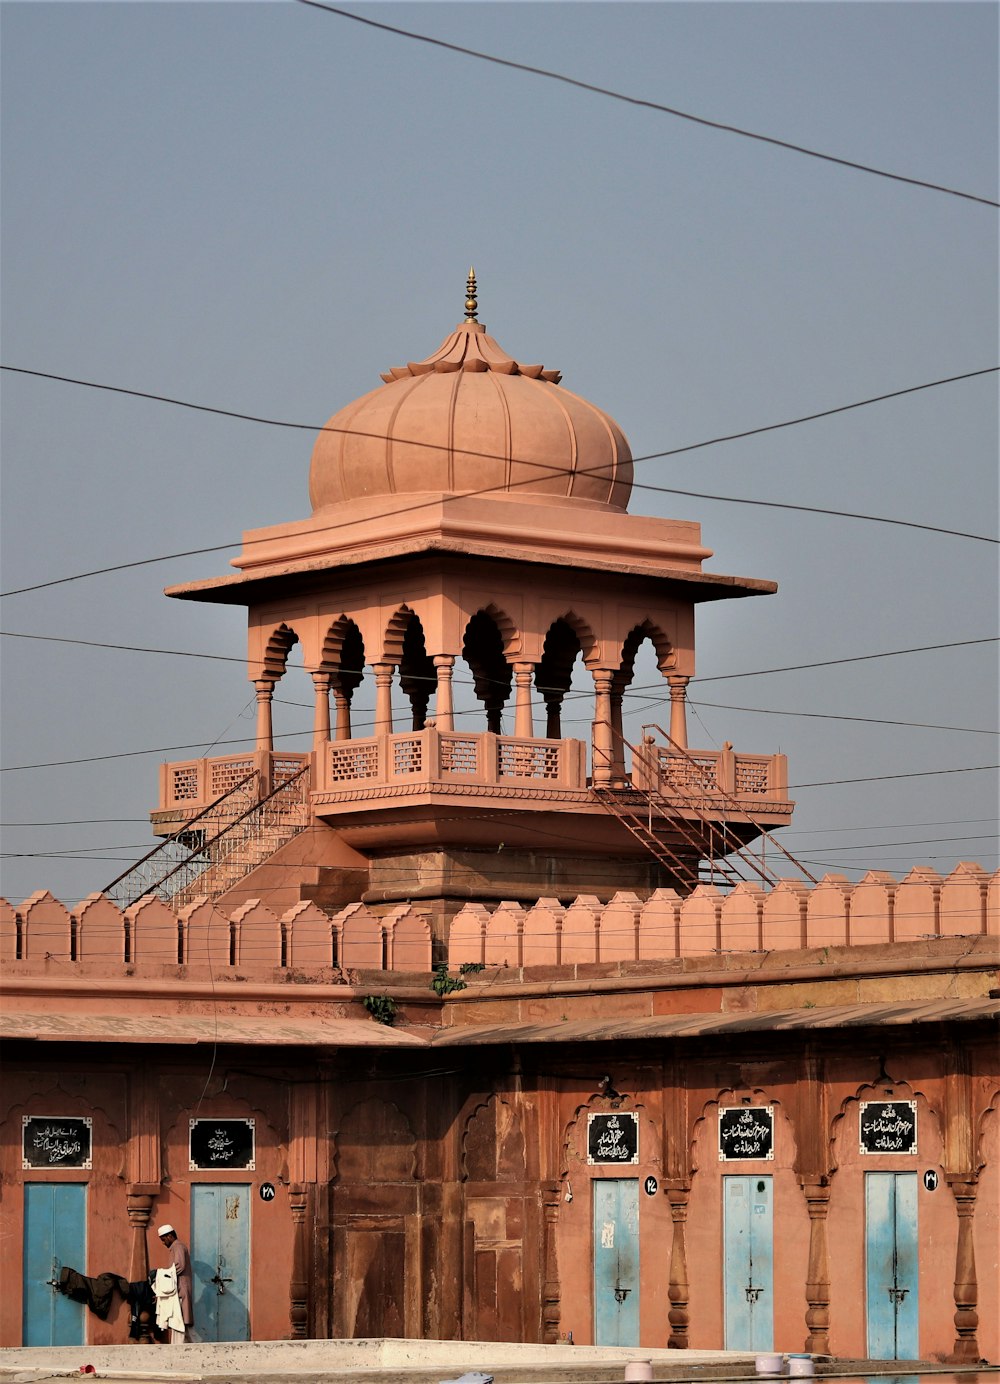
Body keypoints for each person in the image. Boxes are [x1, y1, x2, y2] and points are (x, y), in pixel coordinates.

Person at [156, 1224, 193, 1342]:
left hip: (180, 1288)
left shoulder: (178, 1247)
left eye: (163, 1239)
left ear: (170, 1236)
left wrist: (162, 1275)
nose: (163, 1243)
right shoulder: (177, 1247)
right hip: (178, 1287)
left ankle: (179, 1349)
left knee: (179, 1320)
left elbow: (179, 1266)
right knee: (180, 1321)